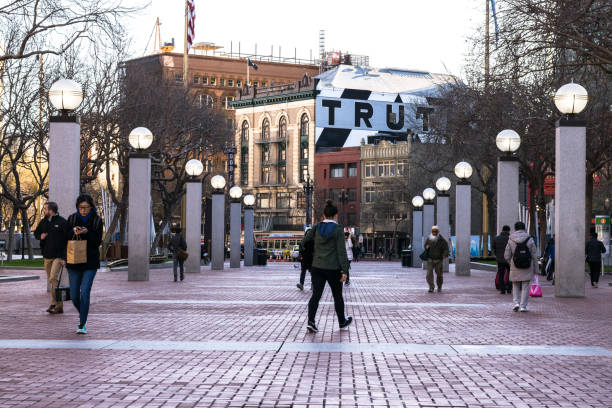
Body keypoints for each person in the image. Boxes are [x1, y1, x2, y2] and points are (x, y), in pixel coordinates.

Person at [302, 200, 353, 333]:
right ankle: (342, 321)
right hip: (333, 268)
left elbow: (304, 241)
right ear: (335, 215)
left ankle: (311, 321)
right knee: (337, 296)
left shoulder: (317, 227)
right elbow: (341, 251)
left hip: (317, 267)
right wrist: (345, 270)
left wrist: (313, 251)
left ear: (324, 215)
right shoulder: (337, 229)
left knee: (316, 295)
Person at [63, 194, 103, 334]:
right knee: (74, 296)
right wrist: (73, 231)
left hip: (90, 263)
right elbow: (66, 238)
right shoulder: (72, 218)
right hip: (74, 262)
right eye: (81, 208)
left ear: (91, 207)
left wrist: (86, 232)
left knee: (84, 292)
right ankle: (83, 313)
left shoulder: (97, 220)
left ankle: (82, 323)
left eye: (86, 208)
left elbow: (97, 242)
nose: (83, 210)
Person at [34, 202, 67, 314]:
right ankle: (58, 306)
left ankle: (55, 304)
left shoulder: (62, 222)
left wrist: (64, 257)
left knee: (53, 278)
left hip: (58, 256)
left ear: (51, 210)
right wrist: (40, 236)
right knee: (51, 280)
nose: (44, 211)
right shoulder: (43, 222)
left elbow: (67, 240)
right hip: (47, 256)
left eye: (45, 209)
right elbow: (36, 233)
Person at [504, 221, 538, 312]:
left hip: (515, 266)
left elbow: (506, 255)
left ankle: (516, 303)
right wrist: (536, 268)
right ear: (524, 228)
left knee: (515, 284)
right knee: (525, 286)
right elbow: (534, 255)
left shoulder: (511, 239)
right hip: (527, 266)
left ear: (515, 228)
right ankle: (523, 306)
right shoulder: (529, 239)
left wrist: (511, 263)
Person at [423, 225, 450, 292]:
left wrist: (444, 255)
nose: (434, 232)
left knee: (439, 274)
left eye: (435, 231)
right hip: (430, 259)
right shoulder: (429, 239)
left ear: (438, 232)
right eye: (433, 231)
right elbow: (425, 246)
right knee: (429, 274)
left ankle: (439, 286)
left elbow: (446, 249)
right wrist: (426, 247)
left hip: (438, 260)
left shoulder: (442, 240)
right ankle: (431, 287)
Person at [492, 225, 512, 294]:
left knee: (501, 274)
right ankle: (509, 288)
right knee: (510, 273)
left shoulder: (496, 238)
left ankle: (502, 289)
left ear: (502, 230)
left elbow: (493, 248)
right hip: (509, 259)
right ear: (509, 230)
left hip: (500, 259)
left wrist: (497, 255)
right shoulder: (510, 238)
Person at [297, 227, 313, 291]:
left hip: (311, 259)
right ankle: (301, 284)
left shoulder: (314, 240)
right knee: (303, 272)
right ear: (306, 233)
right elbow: (300, 250)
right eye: (307, 233)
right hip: (304, 259)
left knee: (312, 273)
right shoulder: (303, 241)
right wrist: (300, 256)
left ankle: (313, 285)